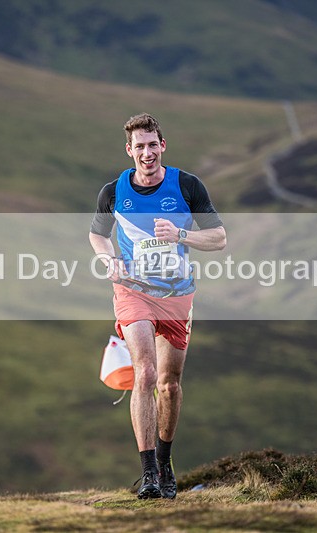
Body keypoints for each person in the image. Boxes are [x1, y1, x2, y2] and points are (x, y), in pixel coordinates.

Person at [89, 113, 226, 499]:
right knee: (145, 373)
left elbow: (218, 238)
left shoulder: (186, 185)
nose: (146, 153)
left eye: (153, 145)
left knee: (169, 385)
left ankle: (165, 464)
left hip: (178, 295)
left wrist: (182, 234)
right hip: (132, 290)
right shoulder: (113, 191)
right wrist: (108, 259)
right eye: (139, 146)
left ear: (162, 146)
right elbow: (97, 235)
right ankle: (148, 472)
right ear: (128, 150)